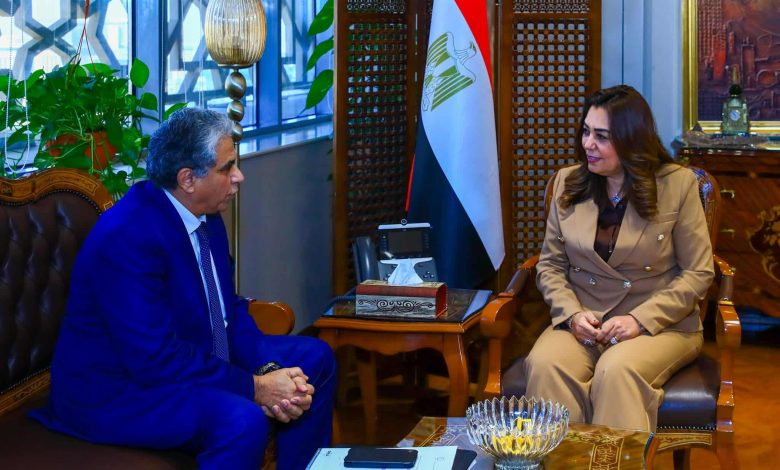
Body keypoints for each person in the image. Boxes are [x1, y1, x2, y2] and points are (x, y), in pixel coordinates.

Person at [31, 107, 336, 469]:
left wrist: (267, 368)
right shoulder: (127, 237)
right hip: (116, 391)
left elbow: (228, 309)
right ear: (188, 178)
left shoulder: (206, 215)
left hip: (189, 353)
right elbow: (154, 358)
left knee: (315, 359)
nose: (239, 176)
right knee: (241, 421)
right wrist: (256, 388)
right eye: (227, 168)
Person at [524, 85, 714, 432]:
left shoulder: (678, 184)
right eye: (585, 131)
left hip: (659, 324)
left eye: (601, 136)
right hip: (584, 320)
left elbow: (698, 272)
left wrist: (640, 320)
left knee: (616, 371)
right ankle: (562, 459)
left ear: (631, 140)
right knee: (545, 363)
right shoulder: (568, 182)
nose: (587, 144)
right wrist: (571, 314)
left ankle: (614, 459)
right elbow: (550, 265)